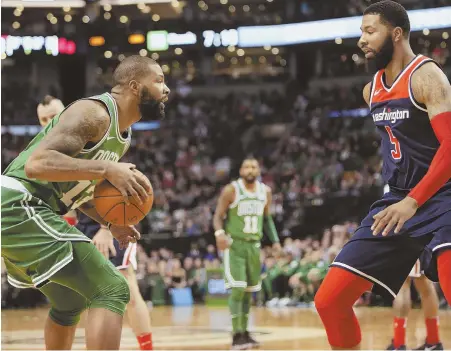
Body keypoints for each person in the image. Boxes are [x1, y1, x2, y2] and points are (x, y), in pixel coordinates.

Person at [1, 55, 170, 350]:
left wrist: (110, 222)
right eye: (158, 80)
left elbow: (75, 190)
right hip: (19, 204)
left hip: (29, 211)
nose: (166, 89)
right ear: (133, 86)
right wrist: (107, 169)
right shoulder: (94, 112)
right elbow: (37, 164)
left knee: (70, 301)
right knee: (113, 288)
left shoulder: (123, 136)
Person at [314, 1, 451, 350]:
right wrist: (403, 199)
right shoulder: (370, 90)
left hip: (442, 198)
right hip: (397, 200)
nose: (361, 39)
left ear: (397, 33)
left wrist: (413, 201)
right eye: (361, 31)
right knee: (329, 302)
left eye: (369, 31)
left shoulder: (426, 76)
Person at [213, 158, 282, 350]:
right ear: (241, 170)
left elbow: (267, 219)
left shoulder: (265, 192)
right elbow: (218, 216)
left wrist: (275, 241)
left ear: (259, 170)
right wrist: (219, 234)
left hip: (254, 246)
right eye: (246, 166)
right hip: (235, 246)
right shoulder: (231, 190)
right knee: (237, 289)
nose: (250, 170)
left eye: (254, 167)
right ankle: (236, 335)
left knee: (248, 292)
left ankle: (245, 333)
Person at [77, 212, 154, 350]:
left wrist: (105, 228)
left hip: (115, 222)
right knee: (94, 297)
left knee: (128, 291)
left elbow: (110, 191)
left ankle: (147, 348)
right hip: (83, 227)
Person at [37, 95, 78, 226]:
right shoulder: (37, 154)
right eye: (44, 119)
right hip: (63, 224)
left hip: (99, 224)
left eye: (53, 116)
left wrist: (105, 228)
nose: (49, 122)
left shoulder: (88, 141)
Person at [387, 260, 442, 350]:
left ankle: (398, 344)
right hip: (425, 246)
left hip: (404, 247)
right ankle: (433, 342)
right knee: (424, 282)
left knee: (402, 283)